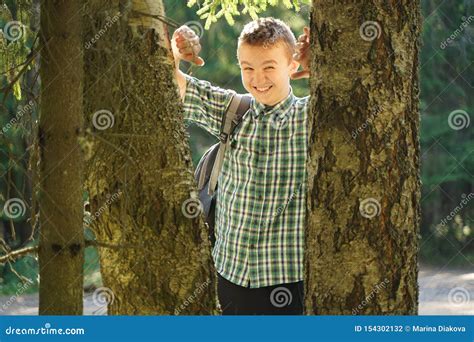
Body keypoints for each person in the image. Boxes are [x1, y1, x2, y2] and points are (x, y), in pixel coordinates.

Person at [171, 17, 310, 315]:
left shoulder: (310, 118)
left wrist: (325, 65)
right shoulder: (233, 110)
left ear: (292, 66)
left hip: (287, 283)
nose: (258, 79)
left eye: (269, 67)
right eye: (248, 68)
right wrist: (175, 52)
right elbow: (174, 85)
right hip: (228, 277)